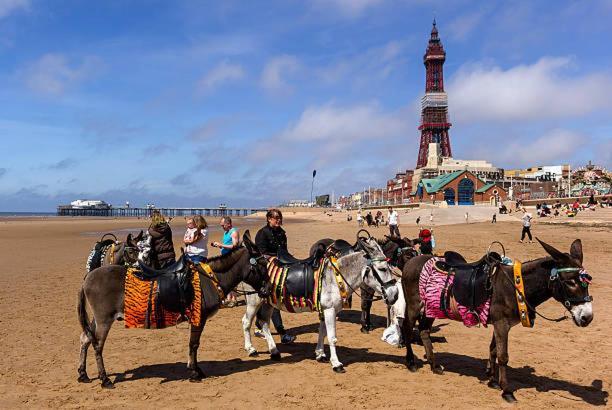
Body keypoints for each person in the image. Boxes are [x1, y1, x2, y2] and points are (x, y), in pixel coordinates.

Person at [254, 209, 296, 344]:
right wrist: (273, 259)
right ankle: (282, 332)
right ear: (269, 219)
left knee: (267, 301)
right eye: (275, 217)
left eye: (279, 217)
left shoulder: (282, 233)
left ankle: (259, 326)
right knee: (273, 299)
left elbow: (285, 251)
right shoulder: (262, 233)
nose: (278, 220)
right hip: (266, 269)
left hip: (280, 266)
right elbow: (260, 254)